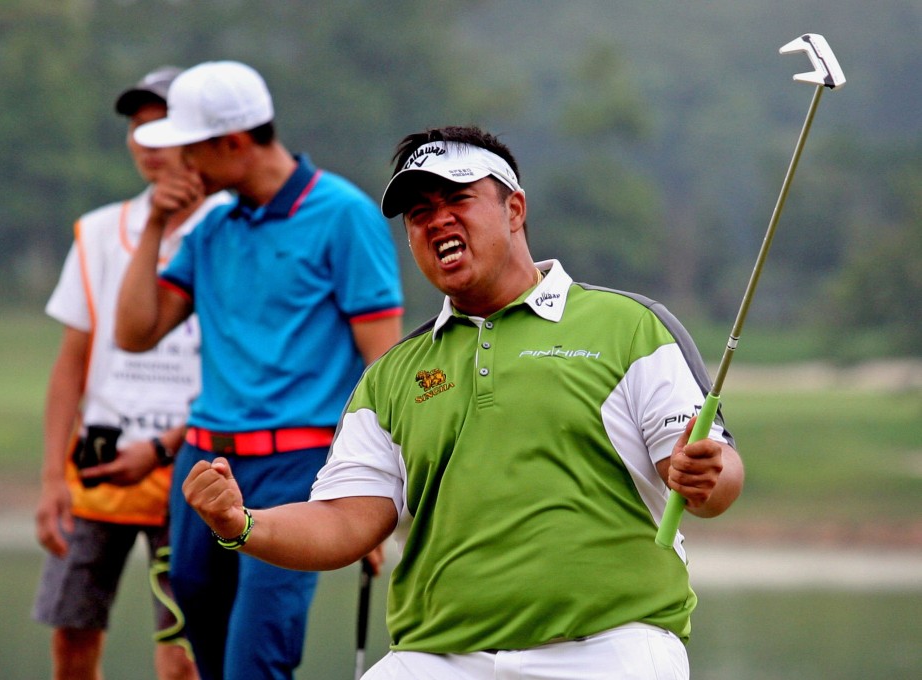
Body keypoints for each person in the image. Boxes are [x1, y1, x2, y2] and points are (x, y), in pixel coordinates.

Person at [182, 125, 746, 680]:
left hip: (609, 646)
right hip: (437, 655)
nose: (438, 220)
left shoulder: (630, 326)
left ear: (514, 209)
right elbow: (344, 520)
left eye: (458, 198)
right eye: (419, 212)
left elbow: (712, 475)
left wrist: (704, 476)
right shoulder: (392, 374)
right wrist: (241, 523)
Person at [114, 61, 404, 680]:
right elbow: (134, 333)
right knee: (209, 651)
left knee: (256, 660)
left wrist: (373, 498)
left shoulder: (343, 215)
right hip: (203, 464)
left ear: (234, 143)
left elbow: (384, 367)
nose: (178, 166)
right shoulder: (212, 226)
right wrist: (156, 224)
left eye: (190, 151)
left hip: (295, 468)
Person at [33, 65, 231, 680]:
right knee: (72, 638)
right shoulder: (97, 232)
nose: (147, 141)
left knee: (182, 657)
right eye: (137, 128)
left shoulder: (234, 227)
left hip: (196, 463)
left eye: (162, 126)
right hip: (100, 462)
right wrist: (51, 478)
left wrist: (167, 445)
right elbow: (71, 362)